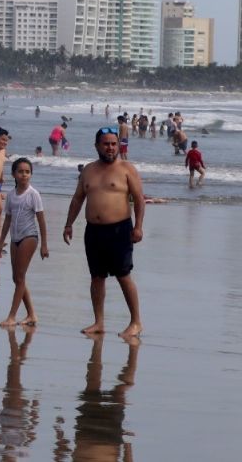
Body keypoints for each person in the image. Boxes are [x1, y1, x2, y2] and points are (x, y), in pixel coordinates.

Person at [63, 127, 144, 338]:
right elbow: (77, 199)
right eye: (106, 143)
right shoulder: (88, 170)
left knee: (123, 275)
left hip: (120, 229)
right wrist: (68, 224)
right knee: (97, 277)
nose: (110, 148)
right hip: (93, 231)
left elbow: (139, 200)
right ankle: (99, 322)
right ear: (97, 146)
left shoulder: (127, 169)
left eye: (114, 144)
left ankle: (136, 322)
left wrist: (138, 227)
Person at [0, 158, 49, 327]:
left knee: (20, 277)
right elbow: (7, 220)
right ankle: (31, 314)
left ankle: (12, 316)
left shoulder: (33, 194)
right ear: (14, 174)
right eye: (21, 171)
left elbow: (41, 220)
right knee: (16, 278)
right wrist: (0, 242)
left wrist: (44, 245)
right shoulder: (11, 195)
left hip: (29, 237)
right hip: (14, 238)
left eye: (27, 172)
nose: (24, 175)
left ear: (31, 174)